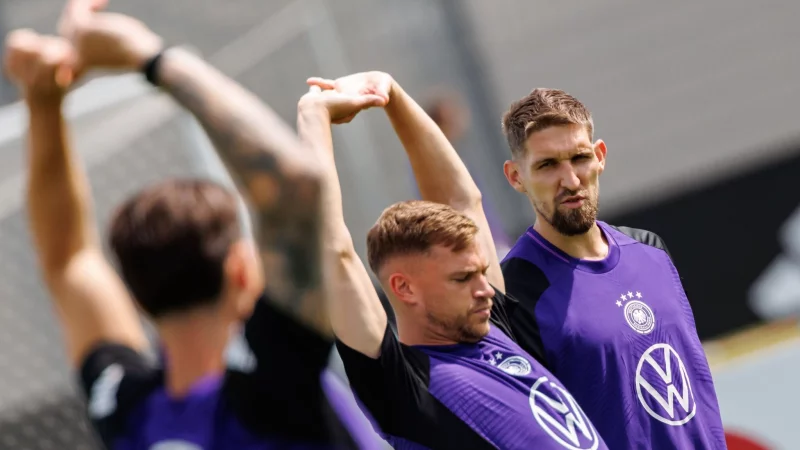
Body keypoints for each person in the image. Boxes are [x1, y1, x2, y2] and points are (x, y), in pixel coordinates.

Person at [3, 0, 384, 448]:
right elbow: (297, 186)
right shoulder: (273, 393)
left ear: (137, 300)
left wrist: (43, 101)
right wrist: (147, 55)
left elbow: (69, 259)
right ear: (241, 272)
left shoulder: (128, 410)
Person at [303, 72, 608, 450]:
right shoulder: (407, 387)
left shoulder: (494, 329)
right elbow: (334, 251)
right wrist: (313, 114)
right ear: (404, 287)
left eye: (481, 272)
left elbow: (464, 202)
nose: (485, 289)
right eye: (463, 279)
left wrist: (392, 94)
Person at [498, 88, 727, 449]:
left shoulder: (650, 250)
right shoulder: (513, 290)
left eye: (579, 158)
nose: (571, 181)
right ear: (516, 176)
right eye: (547, 165)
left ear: (600, 156)